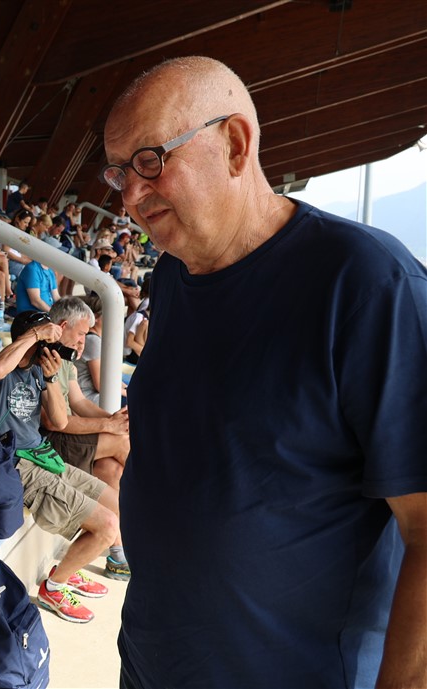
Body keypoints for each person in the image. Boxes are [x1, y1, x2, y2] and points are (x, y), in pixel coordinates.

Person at [102, 56, 427, 689]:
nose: (130, 196)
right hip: (153, 664)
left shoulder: (367, 284)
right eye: (119, 172)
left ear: (235, 144)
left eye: (150, 160)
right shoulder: (171, 276)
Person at [0, 310, 123, 624]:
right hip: (16, 463)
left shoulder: (40, 371)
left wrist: (51, 379)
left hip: (43, 456)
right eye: (46, 340)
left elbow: (60, 420)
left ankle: (68, 567)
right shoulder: (2, 365)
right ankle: (54, 587)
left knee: (116, 506)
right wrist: (35, 337)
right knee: (107, 526)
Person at [43, 296, 131, 580]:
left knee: (111, 469)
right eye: (81, 334)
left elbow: (79, 402)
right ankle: (161, 506)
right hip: (50, 442)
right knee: (123, 442)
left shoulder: (66, 359)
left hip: (67, 436)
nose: (83, 342)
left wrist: (114, 421)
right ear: (63, 326)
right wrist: (110, 426)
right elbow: (53, 422)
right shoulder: (44, 357)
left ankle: (117, 555)